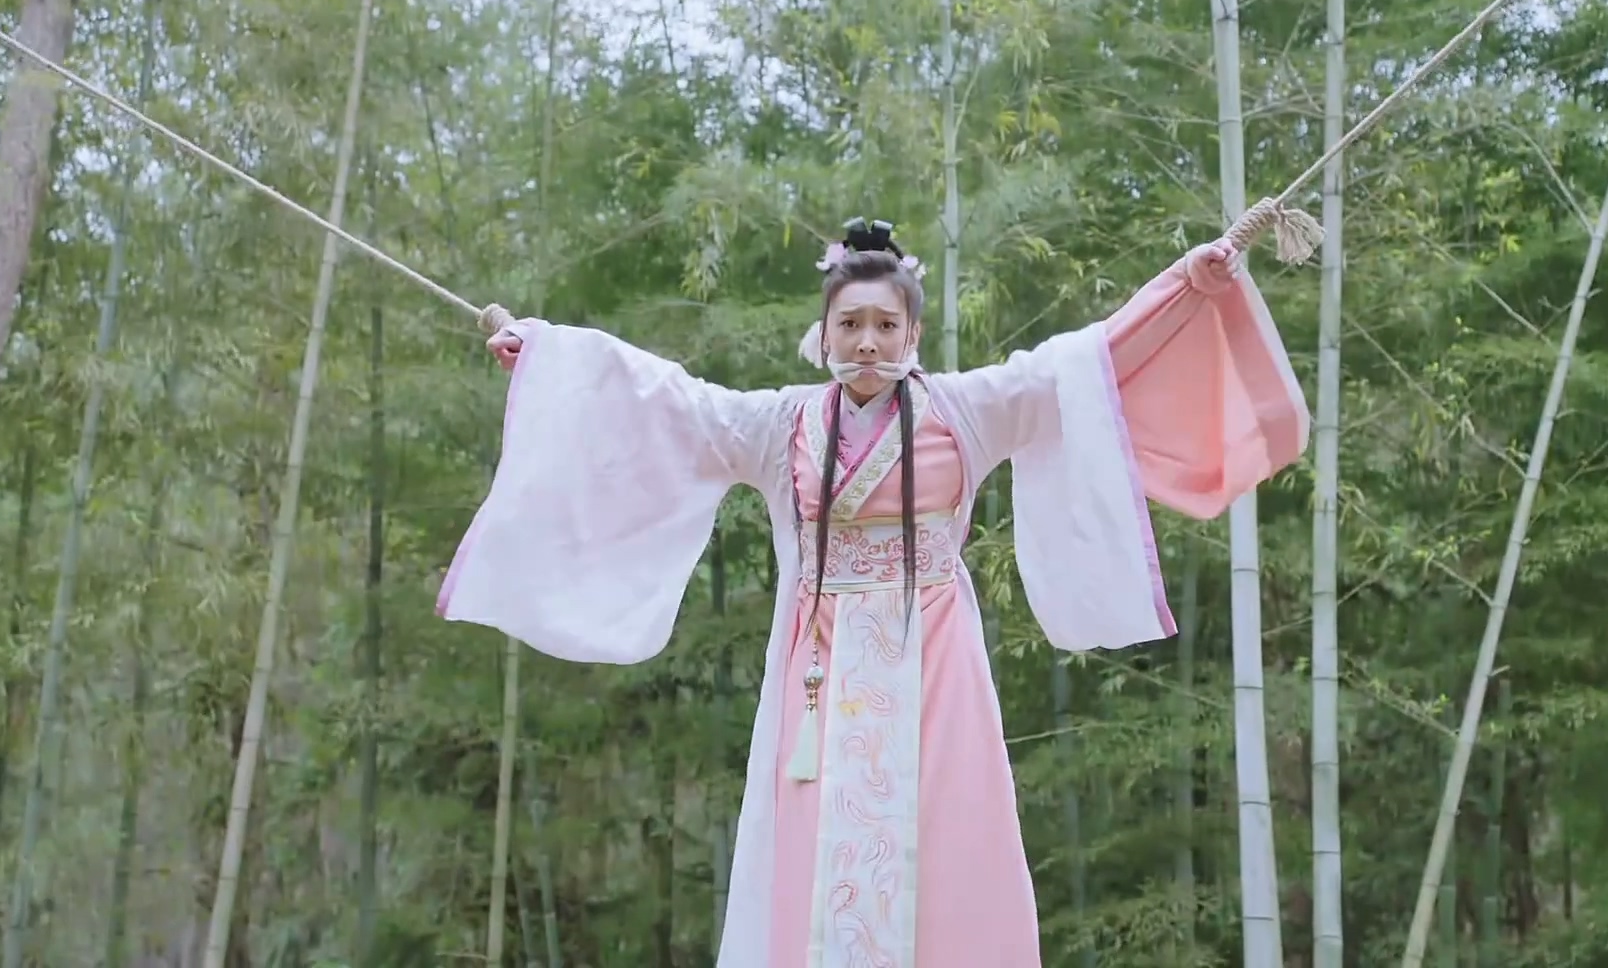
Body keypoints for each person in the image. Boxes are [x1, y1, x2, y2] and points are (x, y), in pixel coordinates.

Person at [438, 216, 1309, 968]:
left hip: (934, 664)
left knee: (948, 841)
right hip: (819, 674)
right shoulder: (783, 423)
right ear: (823, 333)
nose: (866, 342)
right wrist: (545, 357)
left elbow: (1084, 363)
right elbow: (669, 402)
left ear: (912, 334)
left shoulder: (965, 411)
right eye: (849, 323)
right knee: (812, 848)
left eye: (885, 325)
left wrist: (1187, 285)